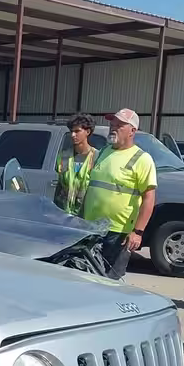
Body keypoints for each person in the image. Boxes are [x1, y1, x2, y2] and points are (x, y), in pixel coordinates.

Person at [82, 108, 157, 278]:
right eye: (112, 124)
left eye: (120, 125)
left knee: (110, 280)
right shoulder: (103, 153)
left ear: (132, 131)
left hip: (118, 232)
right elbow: (92, 188)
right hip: (92, 228)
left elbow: (149, 198)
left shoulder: (142, 159)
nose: (113, 128)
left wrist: (137, 232)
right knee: (88, 277)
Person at [54, 114, 98, 216]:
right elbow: (60, 186)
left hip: (86, 215)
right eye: (71, 131)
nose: (73, 135)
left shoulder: (96, 158)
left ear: (88, 132)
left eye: (77, 131)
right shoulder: (64, 157)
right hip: (64, 214)